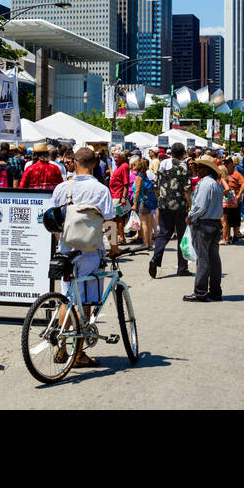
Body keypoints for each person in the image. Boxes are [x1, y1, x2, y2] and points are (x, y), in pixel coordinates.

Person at [46, 146, 115, 367]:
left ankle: (61, 347)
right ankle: (78, 355)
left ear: (74, 163)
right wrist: (113, 247)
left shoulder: (62, 188)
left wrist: (61, 240)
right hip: (90, 252)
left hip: (67, 251)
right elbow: (110, 222)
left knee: (67, 297)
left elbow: (51, 220)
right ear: (95, 164)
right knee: (84, 302)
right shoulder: (101, 190)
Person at [183, 154, 225, 302]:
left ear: (207, 169)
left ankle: (200, 291)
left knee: (203, 259)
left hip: (204, 223)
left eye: (200, 167)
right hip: (214, 223)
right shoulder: (215, 184)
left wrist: (191, 216)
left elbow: (200, 206)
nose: (197, 169)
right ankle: (215, 290)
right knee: (213, 259)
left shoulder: (206, 184)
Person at [149, 143, 192, 279]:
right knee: (182, 236)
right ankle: (182, 267)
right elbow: (187, 189)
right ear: (183, 153)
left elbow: (155, 186)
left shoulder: (162, 165)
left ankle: (155, 258)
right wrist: (190, 205)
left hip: (164, 205)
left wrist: (159, 200)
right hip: (179, 206)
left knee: (164, 233)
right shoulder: (182, 166)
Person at [108, 149, 133, 249]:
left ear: (122, 157)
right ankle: (120, 237)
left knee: (117, 218)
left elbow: (125, 183)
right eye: (114, 156)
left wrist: (123, 197)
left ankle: (121, 237)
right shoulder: (119, 166)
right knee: (117, 218)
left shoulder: (124, 166)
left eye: (117, 156)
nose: (115, 157)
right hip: (114, 194)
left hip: (118, 195)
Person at [132, 156, 158, 252]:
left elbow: (137, 191)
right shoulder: (145, 175)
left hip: (142, 201)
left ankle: (145, 243)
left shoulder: (138, 177)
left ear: (137, 167)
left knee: (144, 223)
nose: (132, 167)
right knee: (148, 222)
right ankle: (150, 243)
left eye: (134, 165)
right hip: (149, 201)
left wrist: (134, 204)